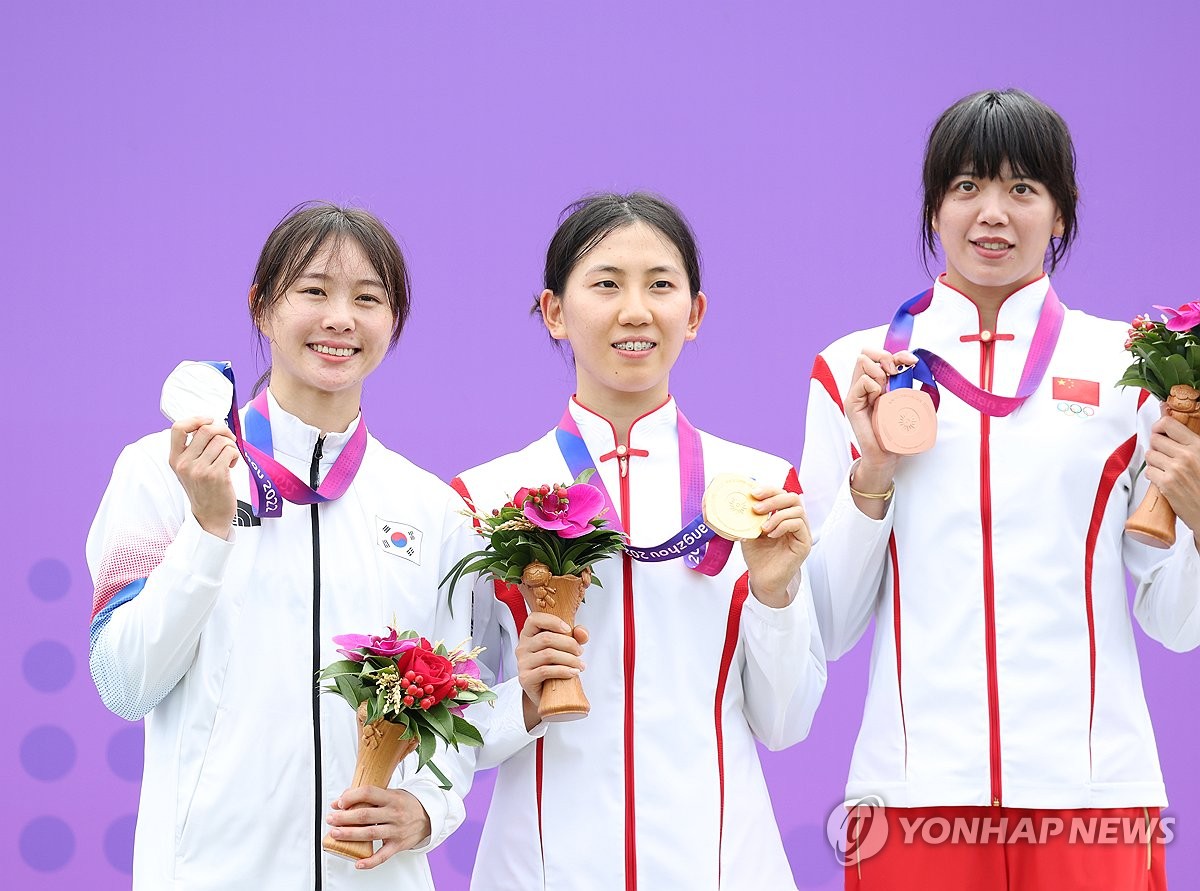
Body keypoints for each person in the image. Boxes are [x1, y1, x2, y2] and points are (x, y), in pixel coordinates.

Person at [801, 89, 1200, 890]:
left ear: (1061, 212)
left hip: (1092, 800)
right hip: (913, 806)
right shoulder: (857, 371)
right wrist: (872, 472)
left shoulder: (1135, 370)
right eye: (967, 186)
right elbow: (830, 623)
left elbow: (1177, 622)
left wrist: (1199, 517)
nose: (993, 212)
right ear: (934, 207)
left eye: (1023, 188)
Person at [87, 203, 478, 889]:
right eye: (314, 290)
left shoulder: (432, 509)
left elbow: (453, 708)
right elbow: (123, 683)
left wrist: (428, 808)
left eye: (368, 298)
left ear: (394, 323)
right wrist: (209, 532)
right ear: (262, 306)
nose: (340, 319)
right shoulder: (162, 469)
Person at [453, 192, 827, 890]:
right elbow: (450, 736)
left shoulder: (760, 491)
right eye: (605, 283)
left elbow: (784, 723)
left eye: (661, 284)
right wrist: (524, 699)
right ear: (555, 312)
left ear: (695, 313)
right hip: (538, 871)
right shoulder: (484, 500)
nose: (635, 309)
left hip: (721, 868)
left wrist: (775, 595)